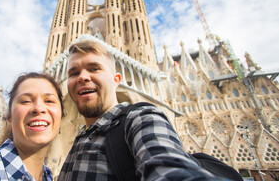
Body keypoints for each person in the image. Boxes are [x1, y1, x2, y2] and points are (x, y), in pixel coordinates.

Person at [58, 40, 220, 180]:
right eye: (74, 73)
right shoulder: (81, 137)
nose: (82, 77)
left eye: (94, 68)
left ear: (116, 81)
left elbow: (169, 166)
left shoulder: (140, 118)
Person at [0, 72, 64, 181]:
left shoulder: (48, 177)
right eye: (26, 101)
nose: (38, 108)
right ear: (9, 118)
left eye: (49, 101)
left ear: (61, 118)